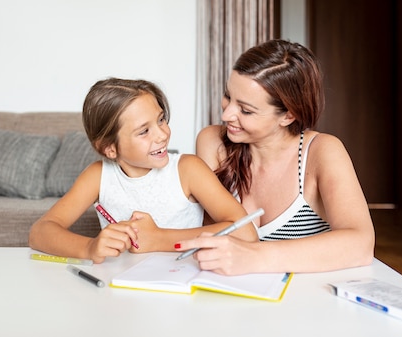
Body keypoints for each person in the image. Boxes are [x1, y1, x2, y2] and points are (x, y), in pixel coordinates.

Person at [174, 39, 375, 274]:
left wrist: (253, 258)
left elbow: (360, 245)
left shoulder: (322, 151)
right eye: (228, 96)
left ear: (288, 115)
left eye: (246, 110)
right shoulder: (213, 142)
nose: (227, 114)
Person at [29, 77, 257, 263]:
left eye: (161, 120)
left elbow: (246, 232)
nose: (162, 134)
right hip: (121, 284)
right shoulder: (98, 176)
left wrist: (160, 239)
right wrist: (89, 247)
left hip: (182, 279)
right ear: (109, 148)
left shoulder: (188, 169)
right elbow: (40, 232)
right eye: (144, 131)